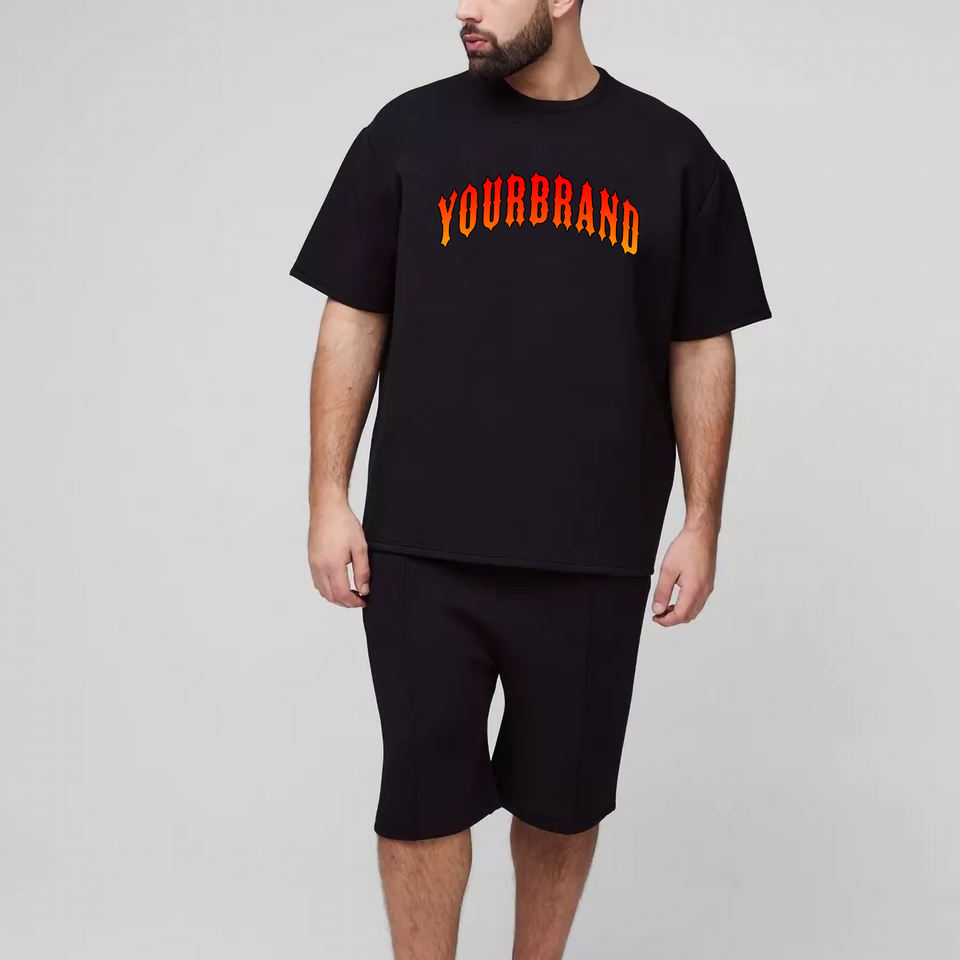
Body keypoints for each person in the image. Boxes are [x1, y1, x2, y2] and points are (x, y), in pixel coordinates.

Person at [289, 1, 771, 956]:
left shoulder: (671, 155)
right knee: (421, 796)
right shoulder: (407, 133)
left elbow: (701, 344)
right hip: (419, 544)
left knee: (564, 801)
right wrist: (327, 496)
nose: (463, 9)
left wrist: (701, 519)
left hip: (595, 549)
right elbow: (353, 315)